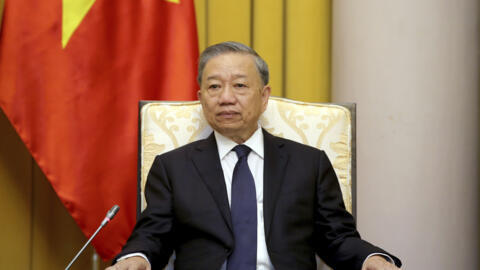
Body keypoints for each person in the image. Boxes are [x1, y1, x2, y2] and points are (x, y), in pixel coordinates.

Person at [106, 42, 402, 270]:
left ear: (264, 97)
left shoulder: (309, 164)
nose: (225, 97)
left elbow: (337, 237)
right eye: (213, 86)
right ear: (200, 98)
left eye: (240, 85)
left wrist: (370, 259)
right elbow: (153, 236)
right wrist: (137, 258)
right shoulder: (173, 168)